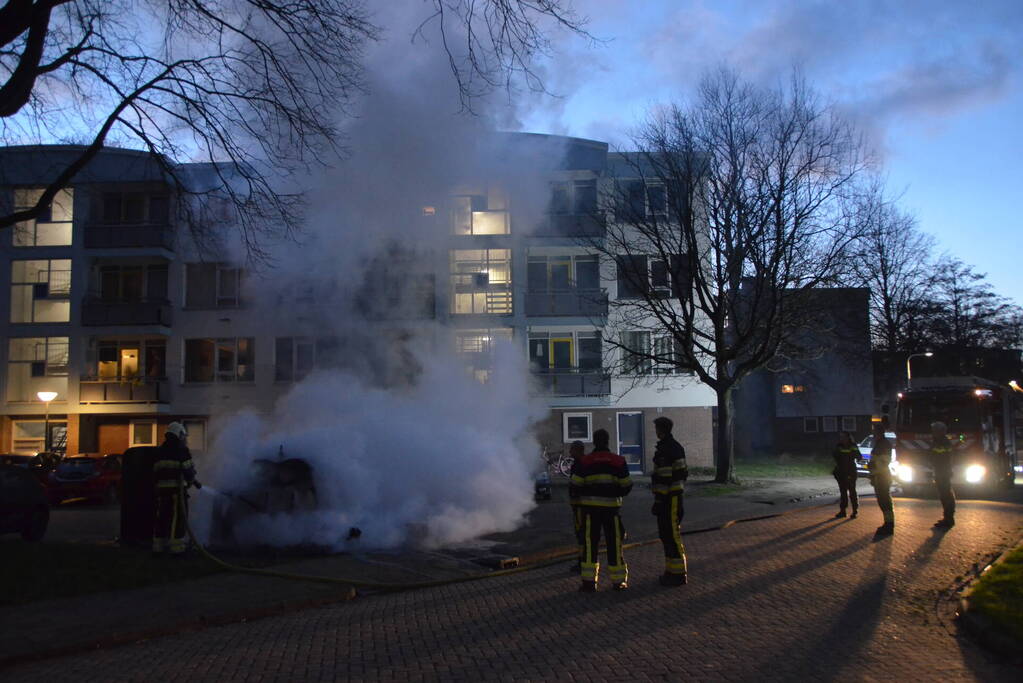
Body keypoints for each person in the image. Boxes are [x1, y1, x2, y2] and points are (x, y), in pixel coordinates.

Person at [569, 429, 632, 592]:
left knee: (590, 545)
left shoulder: (585, 462)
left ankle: (589, 582)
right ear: (608, 441)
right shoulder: (618, 461)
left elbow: (575, 485)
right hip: (612, 511)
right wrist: (614, 493)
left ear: (595, 442)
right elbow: (627, 485)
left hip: (590, 511)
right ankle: (619, 582)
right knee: (614, 544)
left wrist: (588, 492)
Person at [651, 416, 689, 586]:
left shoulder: (665, 450)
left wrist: (659, 501)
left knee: (671, 535)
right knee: (667, 535)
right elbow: (683, 473)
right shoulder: (676, 448)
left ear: (661, 430)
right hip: (674, 497)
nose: (656, 431)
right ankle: (671, 571)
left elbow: (664, 478)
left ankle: (678, 574)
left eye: (657, 428)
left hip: (669, 500)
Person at [152, 422, 196, 555]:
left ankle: (158, 546)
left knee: (162, 517)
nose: (184, 438)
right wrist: (191, 480)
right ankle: (177, 547)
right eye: (183, 435)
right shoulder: (181, 450)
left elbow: (155, 472)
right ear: (179, 434)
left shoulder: (160, 450)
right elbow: (188, 470)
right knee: (178, 518)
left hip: (162, 491)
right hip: (177, 491)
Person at [868, 422, 894, 537]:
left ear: (878, 432)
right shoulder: (879, 443)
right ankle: (887, 523)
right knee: (882, 501)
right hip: (878, 475)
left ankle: (889, 525)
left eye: (874, 431)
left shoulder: (884, 444)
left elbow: (884, 461)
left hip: (882, 476)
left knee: (885, 501)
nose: (873, 433)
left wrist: (873, 465)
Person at [929, 421, 956, 529]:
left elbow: (941, 456)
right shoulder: (939, 441)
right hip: (941, 471)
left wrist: (932, 452)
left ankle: (949, 519)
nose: (933, 433)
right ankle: (947, 518)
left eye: (934, 431)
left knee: (946, 495)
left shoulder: (943, 442)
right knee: (944, 495)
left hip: (943, 471)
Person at [567, 440, 586, 572]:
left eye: (572, 450)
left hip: (581, 506)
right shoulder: (580, 464)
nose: (570, 452)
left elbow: (576, 485)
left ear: (579, 450)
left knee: (582, 534)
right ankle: (582, 560)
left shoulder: (581, 465)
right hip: (579, 506)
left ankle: (582, 562)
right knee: (581, 534)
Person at [831, 431, 859, 519]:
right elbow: (835, 456)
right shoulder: (839, 446)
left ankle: (855, 511)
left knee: (852, 492)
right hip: (841, 472)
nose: (841, 438)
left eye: (843, 437)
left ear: (848, 438)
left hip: (851, 472)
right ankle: (843, 511)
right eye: (840, 437)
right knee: (843, 492)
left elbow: (859, 456)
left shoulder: (853, 446)